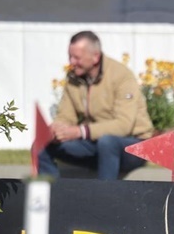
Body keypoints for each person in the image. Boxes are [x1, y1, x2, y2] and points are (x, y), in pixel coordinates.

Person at [39, 30, 155, 180]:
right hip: (94, 143)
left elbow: (123, 125)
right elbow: (66, 115)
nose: (71, 62)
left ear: (95, 57)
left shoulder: (122, 75)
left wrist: (80, 131)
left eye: (77, 58)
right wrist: (57, 129)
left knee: (107, 142)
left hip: (134, 145)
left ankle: (105, 194)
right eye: (70, 56)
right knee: (42, 144)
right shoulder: (74, 78)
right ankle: (50, 192)